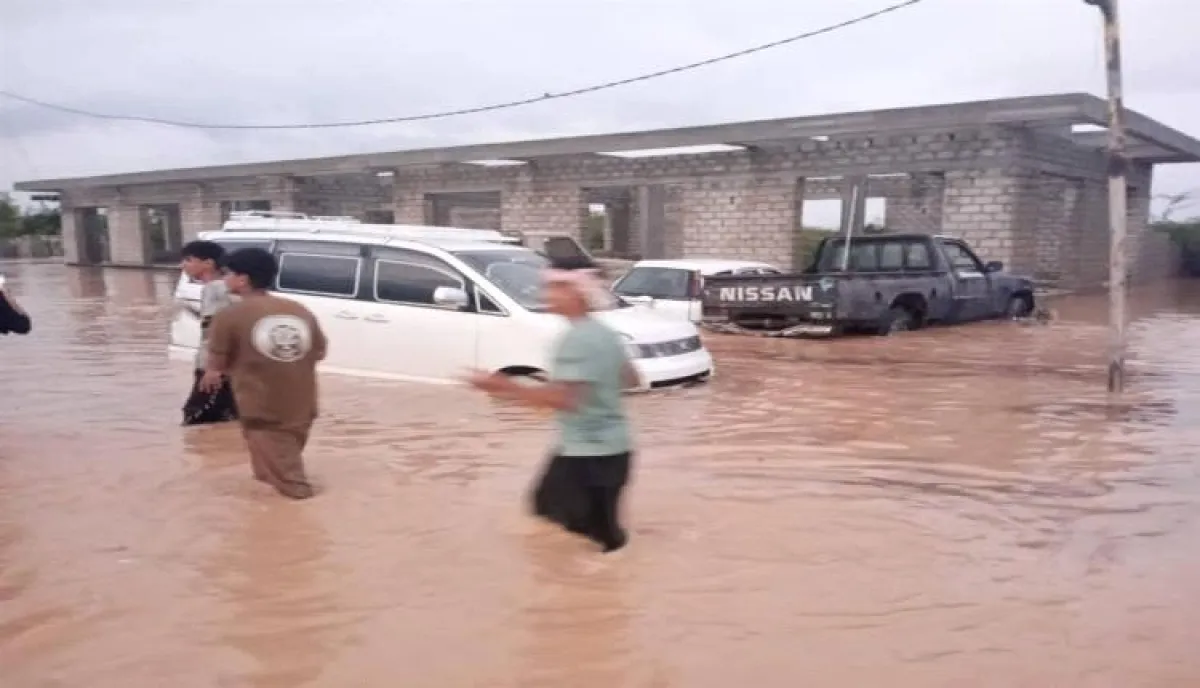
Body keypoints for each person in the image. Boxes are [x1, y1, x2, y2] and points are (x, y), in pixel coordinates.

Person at [466, 256, 640, 553]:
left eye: (556, 287)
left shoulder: (576, 340)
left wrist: (503, 386)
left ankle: (600, 592)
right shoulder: (606, 334)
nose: (546, 294)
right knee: (583, 528)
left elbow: (564, 400)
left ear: (579, 293)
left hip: (589, 457)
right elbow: (632, 378)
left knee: (580, 532)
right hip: (610, 450)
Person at [203, 247, 327, 500]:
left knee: (292, 485)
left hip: (261, 408)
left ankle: (301, 533)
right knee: (268, 473)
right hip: (302, 405)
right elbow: (319, 351)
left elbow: (216, 363)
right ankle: (267, 525)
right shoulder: (299, 310)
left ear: (243, 279)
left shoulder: (229, 316)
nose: (224, 279)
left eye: (228, 273)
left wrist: (213, 374)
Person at [178, 240, 239, 425]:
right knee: (226, 418)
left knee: (195, 417)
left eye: (189, 260)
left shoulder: (215, 288)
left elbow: (214, 329)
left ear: (208, 263)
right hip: (232, 366)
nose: (183, 265)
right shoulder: (226, 288)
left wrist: (212, 368)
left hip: (214, 367)